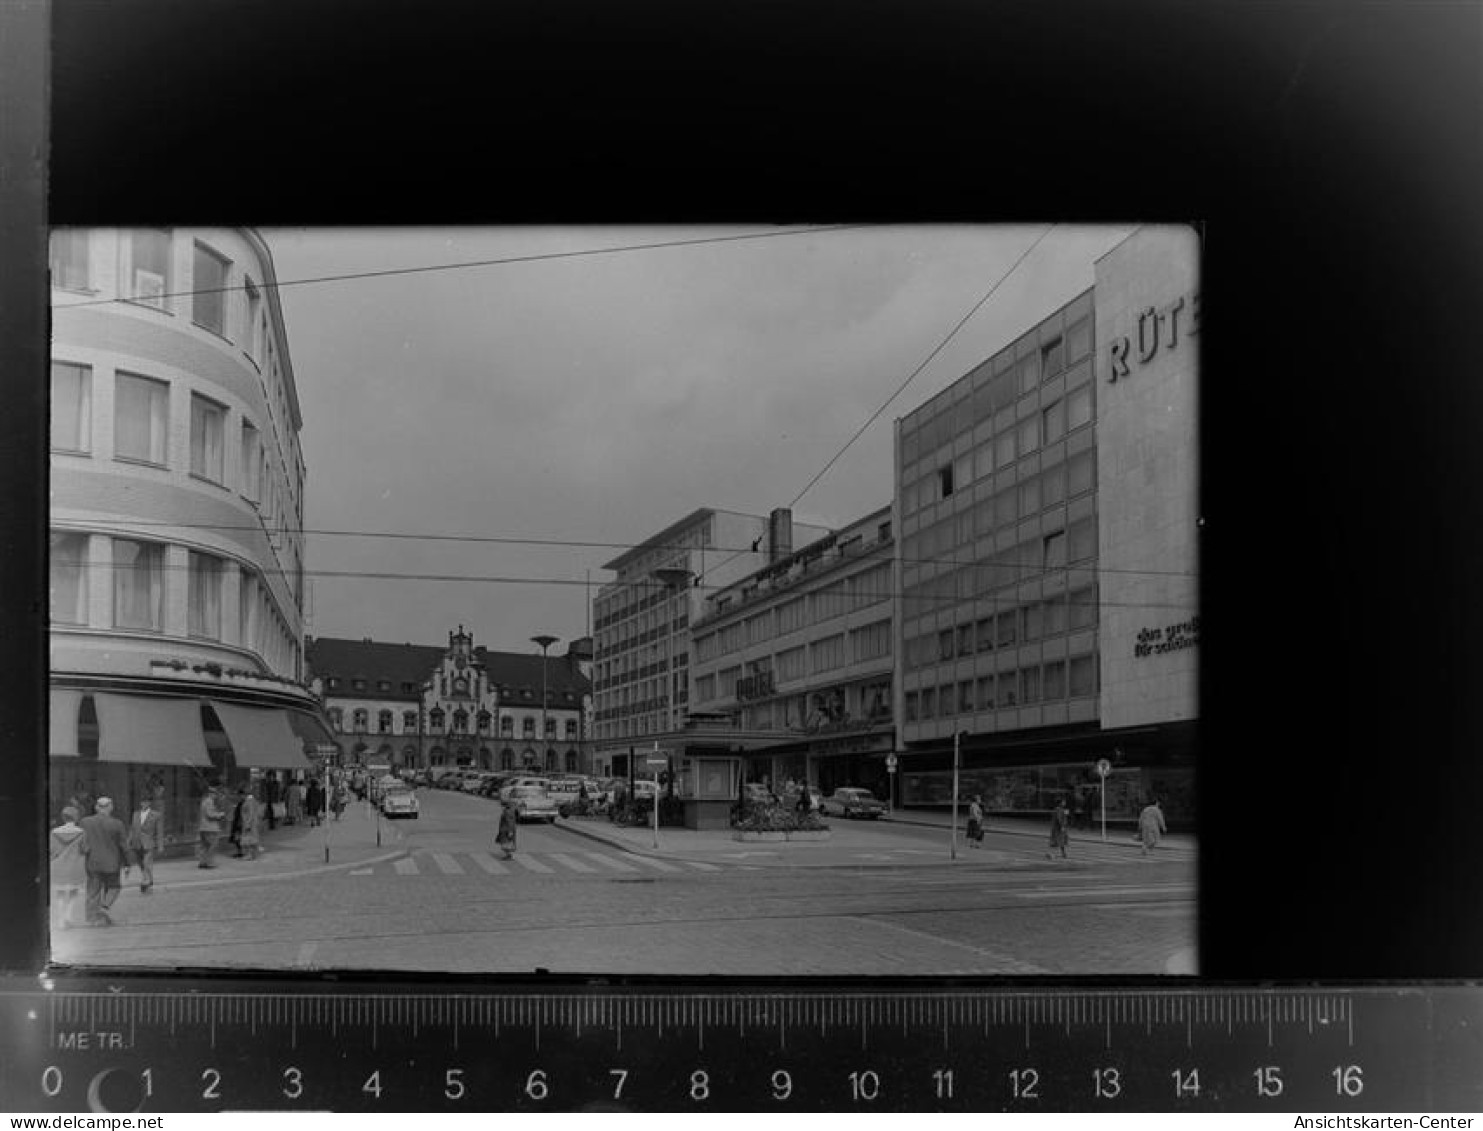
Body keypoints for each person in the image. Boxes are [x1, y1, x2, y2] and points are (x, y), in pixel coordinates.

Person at [79, 797, 132, 927]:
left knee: (93, 891)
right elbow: (123, 846)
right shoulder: (117, 824)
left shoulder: (84, 822)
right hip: (112, 863)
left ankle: (92, 919)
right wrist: (127, 864)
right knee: (114, 887)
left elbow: (81, 842)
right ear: (111, 807)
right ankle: (104, 907)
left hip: (93, 862)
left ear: (97, 807)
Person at [49, 806, 87, 930]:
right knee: (73, 893)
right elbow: (84, 849)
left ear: (63, 817)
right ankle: (68, 916)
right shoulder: (81, 832)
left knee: (59, 894)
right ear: (76, 817)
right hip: (75, 866)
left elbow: (52, 851)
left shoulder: (54, 832)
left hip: (57, 866)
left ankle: (60, 919)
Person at [126, 795, 164, 894]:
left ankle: (146, 880)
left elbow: (159, 831)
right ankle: (149, 878)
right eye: (142, 802)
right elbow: (132, 829)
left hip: (148, 842)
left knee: (147, 862)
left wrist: (160, 845)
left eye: (146, 802)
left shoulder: (156, 815)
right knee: (140, 863)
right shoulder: (136, 814)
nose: (144, 804)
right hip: (136, 842)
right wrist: (128, 841)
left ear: (149, 803)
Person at [197, 784, 226, 869]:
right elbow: (210, 814)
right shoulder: (209, 801)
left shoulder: (204, 801)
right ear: (211, 793)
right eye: (215, 794)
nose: (216, 796)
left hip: (203, 827)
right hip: (210, 828)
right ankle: (209, 862)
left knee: (204, 846)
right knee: (212, 845)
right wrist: (220, 815)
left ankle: (203, 861)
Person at [237, 786, 262, 860]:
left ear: (243, 794)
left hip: (249, 823)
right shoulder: (253, 801)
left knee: (248, 840)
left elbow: (250, 813)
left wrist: (248, 823)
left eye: (240, 796)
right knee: (252, 839)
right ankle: (253, 854)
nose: (240, 798)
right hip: (253, 823)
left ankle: (249, 855)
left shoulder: (249, 801)